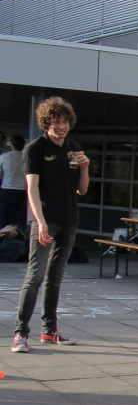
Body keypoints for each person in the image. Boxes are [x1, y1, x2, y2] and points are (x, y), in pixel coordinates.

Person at [12, 97, 89, 352]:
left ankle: (49, 331)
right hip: (46, 221)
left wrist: (85, 169)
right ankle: (20, 333)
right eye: (56, 122)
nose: (61, 126)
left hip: (69, 220)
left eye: (64, 121)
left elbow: (81, 190)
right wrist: (40, 222)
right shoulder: (35, 149)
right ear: (47, 123)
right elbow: (32, 189)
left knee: (55, 278)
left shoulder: (73, 148)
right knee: (35, 276)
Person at [0, 134, 27, 232]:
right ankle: (20, 239)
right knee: (21, 219)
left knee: (4, 218)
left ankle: (3, 239)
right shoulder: (26, 158)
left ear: (12, 145)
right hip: (22, 190)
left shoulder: (3, 157)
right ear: (23, 146)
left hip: (6, 189)